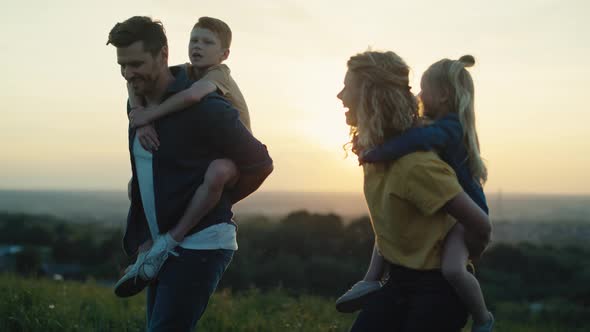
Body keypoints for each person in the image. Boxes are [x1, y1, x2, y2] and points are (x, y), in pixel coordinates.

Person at [107, 16, 273, 331]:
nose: (128, 73)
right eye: (122, 66)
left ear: (163, 55)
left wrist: (220, 193)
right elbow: (147, 176)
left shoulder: (207, 106)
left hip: (201, 245)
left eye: (136, 64)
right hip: (157, 248)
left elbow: (261, 163)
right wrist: (144, 238)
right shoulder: (138, 103)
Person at [335, 50, 492, 331]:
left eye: (348, 87)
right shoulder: (377, 155)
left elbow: (480, 223)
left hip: (436, 292)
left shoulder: (415, 165)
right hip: (397, 280)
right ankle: (370, 281)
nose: (340, 95)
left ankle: (484, 319)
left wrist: (469, 251)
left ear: (370, 95)